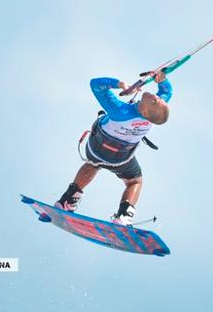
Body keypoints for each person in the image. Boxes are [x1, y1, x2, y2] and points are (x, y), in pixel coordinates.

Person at [55, 71, 172, 225]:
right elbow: (166, 93)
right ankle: (123, 216)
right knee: (135, 181)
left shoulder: (119, 110)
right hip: (121, 159)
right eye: (158, 99)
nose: (157, 97)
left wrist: (118, 84)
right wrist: (162, 80)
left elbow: (95, 85)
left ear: (145, 111)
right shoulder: (152, 115)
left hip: (95, 149)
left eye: (156, 101)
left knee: (93, 164)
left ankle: (67, 201)